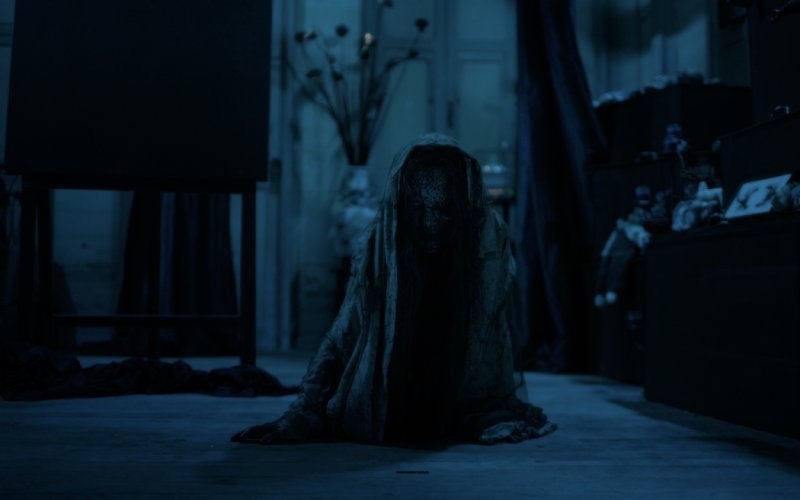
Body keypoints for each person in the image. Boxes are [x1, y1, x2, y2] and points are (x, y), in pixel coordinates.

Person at [231, 134, 555, 445]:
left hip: (454, 385)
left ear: (461, 207)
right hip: (395, 395)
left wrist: (487, 415)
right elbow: (345, 332)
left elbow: (491, 341)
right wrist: (304, 410)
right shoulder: (381, 240)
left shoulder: (487, 237)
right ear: (404, 206)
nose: (429, 224)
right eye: (420, 209)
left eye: (442, 210)